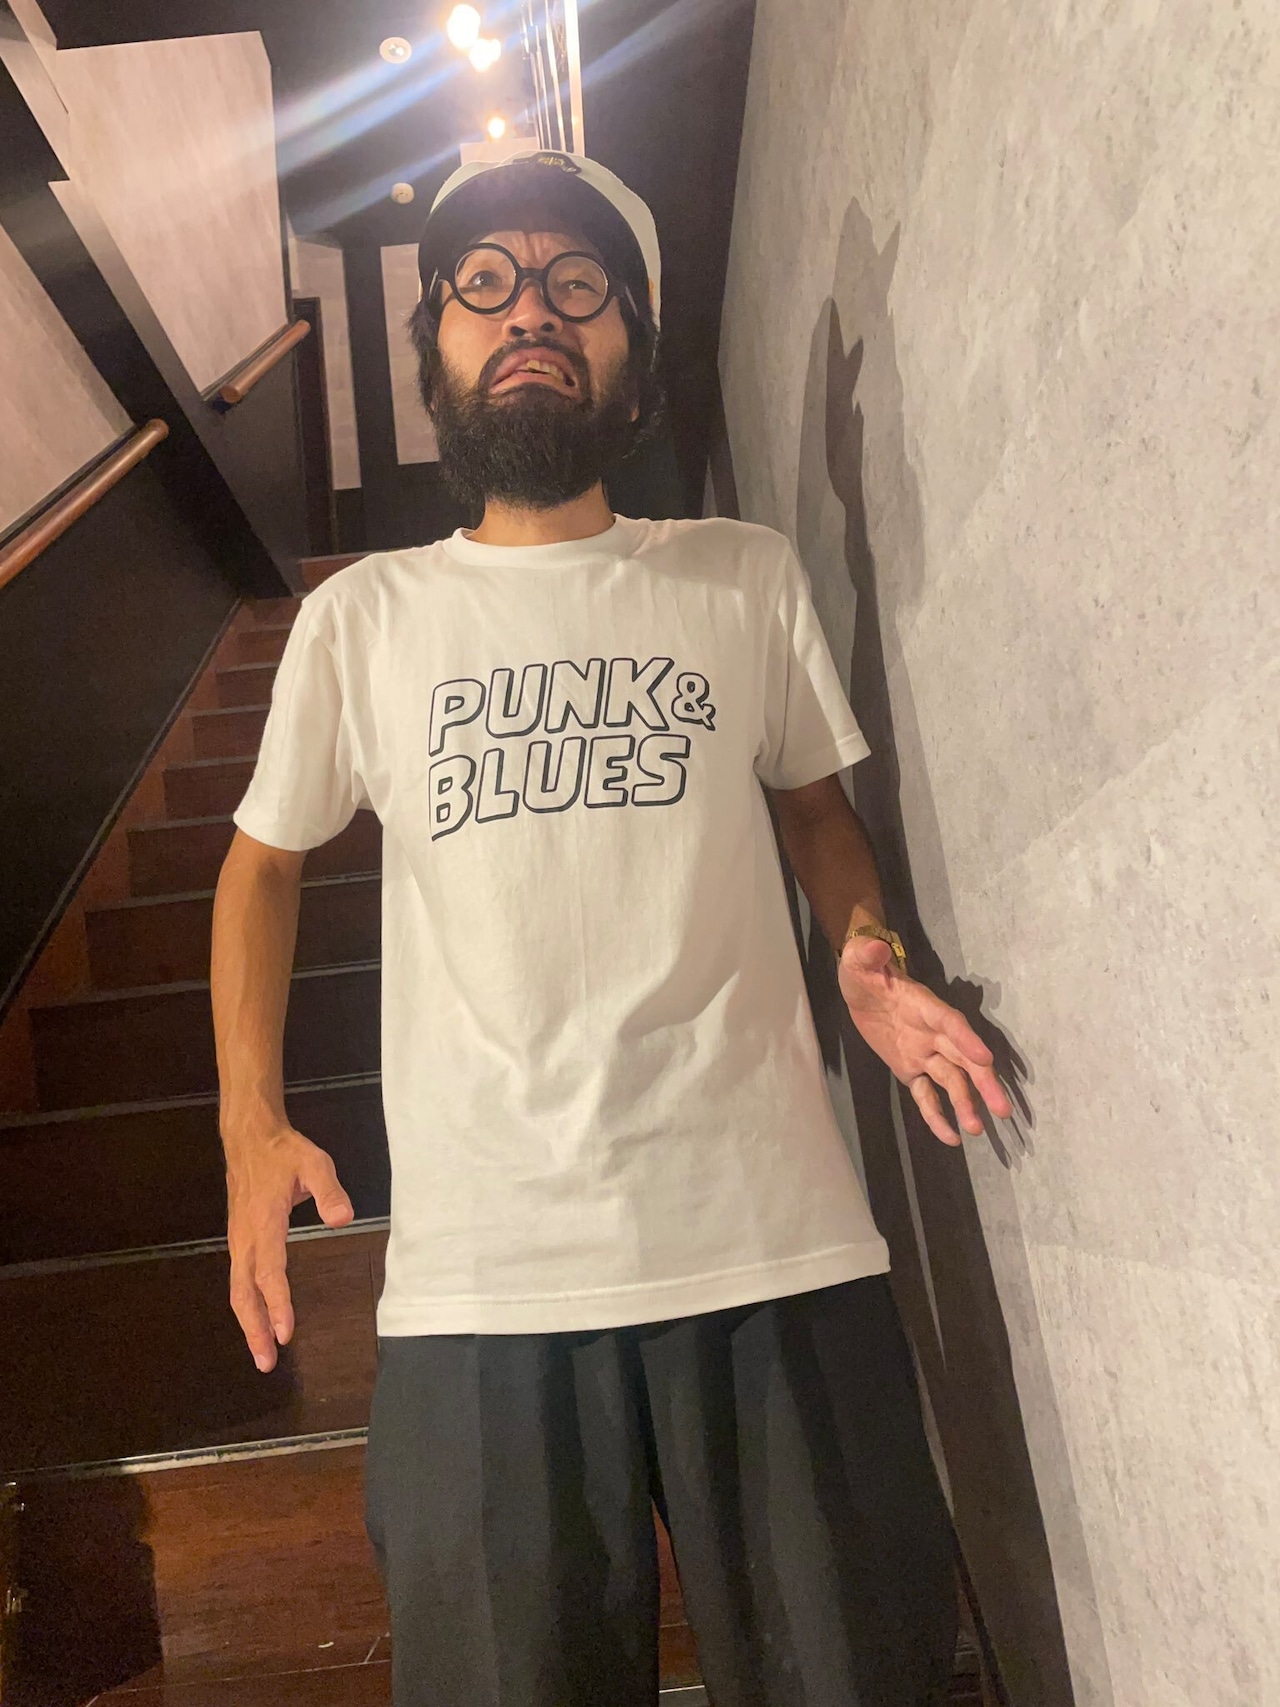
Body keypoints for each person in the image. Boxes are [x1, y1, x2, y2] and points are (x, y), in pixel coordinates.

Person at [211, 149, 1013, 1707]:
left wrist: (873, 952)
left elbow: (816, 811)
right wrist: (248, 1120)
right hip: (482, 1288)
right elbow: (259, 866)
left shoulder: (740, 574)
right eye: (487, 284)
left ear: (632, 349)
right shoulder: (361, 618)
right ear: (434, 349)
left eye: (576, 284)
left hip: (773, 1242)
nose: (532, 311)